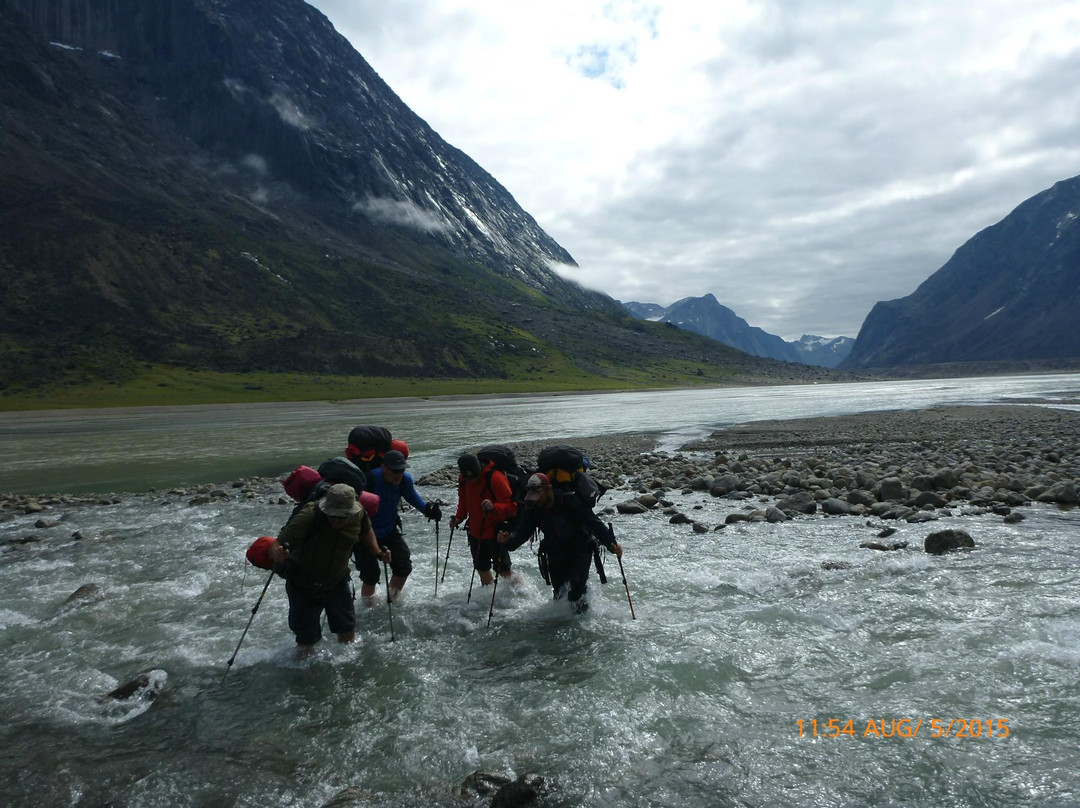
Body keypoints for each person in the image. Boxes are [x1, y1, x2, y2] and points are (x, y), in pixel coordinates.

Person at [267, 483, 389, 659]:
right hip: (303, 583)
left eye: (342, 517)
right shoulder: (309, 515)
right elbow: (277, 544)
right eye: (333, 516)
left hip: (337, 581)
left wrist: (378, 552)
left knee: (347, 631)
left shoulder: (359, 513)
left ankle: (348, 672)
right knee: (306, 642)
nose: (337, 520)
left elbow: (367, 532)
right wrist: (277, 554)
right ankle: (304, 678)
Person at [498, 472, 622, 613]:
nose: (536, 501)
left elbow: (594, 523)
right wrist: (508, 541)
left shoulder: (570, 501)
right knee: (559, 593)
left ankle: (581, 621)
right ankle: (562, 622)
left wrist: (611, 544)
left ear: (548, 489)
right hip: (554, 551)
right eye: (532, 498)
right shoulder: (533, 509)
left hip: (580, 549)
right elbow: (522, 532)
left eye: (538, 497)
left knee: (576, 590)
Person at [356, 448, 441, 602]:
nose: (398, 475)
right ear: (383, 468)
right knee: (371, 575)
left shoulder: (405, 481)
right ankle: (368, 611)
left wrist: (428, 511)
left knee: (403, 567)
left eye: (401, 470)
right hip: (365, 534)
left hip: (389, 530)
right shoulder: (370, 480)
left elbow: (413, 498)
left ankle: (390, 601)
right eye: (394, 471)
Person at [450, 452, 519, 588]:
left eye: (475, 477)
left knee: (504, 570)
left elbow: (512, 506)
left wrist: (494, 507)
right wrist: (458, 518)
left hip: (495, 533)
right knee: (482, 569)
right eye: (469, 478)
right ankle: (486, 601)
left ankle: (520, 593)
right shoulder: (464, 480)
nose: (473, 480)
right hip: (475, 532)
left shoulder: (495, 478)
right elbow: (463, 501)